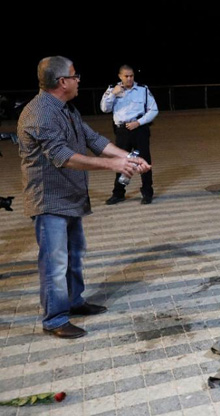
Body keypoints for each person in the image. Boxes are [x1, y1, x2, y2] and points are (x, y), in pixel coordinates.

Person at [17, 56, 151, 338]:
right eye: (75, 76)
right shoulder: (40, 113)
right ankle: (54, 319)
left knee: (74, 255)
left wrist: (130, 157)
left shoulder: (66, 109)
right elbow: (62, 156)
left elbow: (94, 139)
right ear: (62, 81)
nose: (79, 80)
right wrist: (113, 166)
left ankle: (75, 302)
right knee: (55, 263)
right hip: (49, 200)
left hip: (70, 196)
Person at [101, 64, 158, 204]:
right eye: (126, 76)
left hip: (140, 129)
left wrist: (138, 122)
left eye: (131, 76)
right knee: (122, 162)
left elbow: (154, 110)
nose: (129, 79)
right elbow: (104, 109)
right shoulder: (112, 89)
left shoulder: (143, 90)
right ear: (120, 76)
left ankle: (147, 192)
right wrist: (113, 94)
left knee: (145, 162)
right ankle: (118, 193)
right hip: (122, 131)